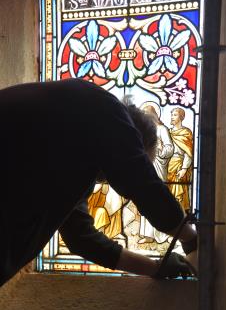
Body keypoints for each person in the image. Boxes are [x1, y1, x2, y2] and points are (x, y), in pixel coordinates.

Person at [0, 79, 197, 286]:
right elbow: (142, 184)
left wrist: (156, 268)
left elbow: (81, 239)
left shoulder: (71, 156)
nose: (109, 181)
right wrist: (191, 239)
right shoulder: (103, 107)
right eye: (139, 159)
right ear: (130, 140)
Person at [138, 102, 173, 245]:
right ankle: (147, 235)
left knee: (156, 196)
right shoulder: (142, 129)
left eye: (148, 113)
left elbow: (169, 148)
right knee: (145, 196)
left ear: (155, 114)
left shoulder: (162, 129)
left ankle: (162, 234)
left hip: (158, 165)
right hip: (146, 164)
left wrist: (159, 151)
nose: (145, 116)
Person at [167, 107, 193, 212]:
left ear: (181, 117)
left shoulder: (186, 132)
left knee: (178, 193)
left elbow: (189, 153)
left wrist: (184, 168)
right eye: (171, 114)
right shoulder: (168, 132)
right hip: (167, 166)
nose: (172, 117)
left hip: (179, 165)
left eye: (175, 115)